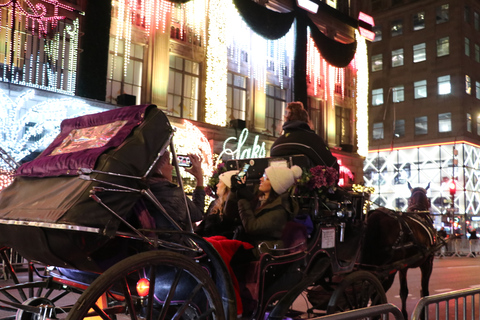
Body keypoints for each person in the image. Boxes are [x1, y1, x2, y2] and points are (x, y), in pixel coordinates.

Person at [233, 165, 302, 249]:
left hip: (261, 250)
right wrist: (234, 190)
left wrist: (243, 200)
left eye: (266, 178)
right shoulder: (259, 198)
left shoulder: (279, 211)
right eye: (263, 175)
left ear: (275, 185)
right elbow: (231, 214)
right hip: (250, 244)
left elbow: (252, 227)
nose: (261, 179)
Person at [144, 150, 205, 230]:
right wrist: (200, 179)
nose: (172, 167)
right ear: (158, 169)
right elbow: (197, 214)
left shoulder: (143, 189)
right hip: (173, 241)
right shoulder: (173, 195)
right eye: (168, 163)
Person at [270, 101, 339, 172]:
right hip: (305, 182)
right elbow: (331, 165)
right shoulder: (312, 140)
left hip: (278, 182)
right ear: (307, 121)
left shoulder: (277, 144)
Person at [196, 170, 241, 238]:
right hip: (206, 243)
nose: (217, 185)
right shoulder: (214, 204)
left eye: (220, 182)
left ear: (227, 186)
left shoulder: (234, 207)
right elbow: (203, 224)